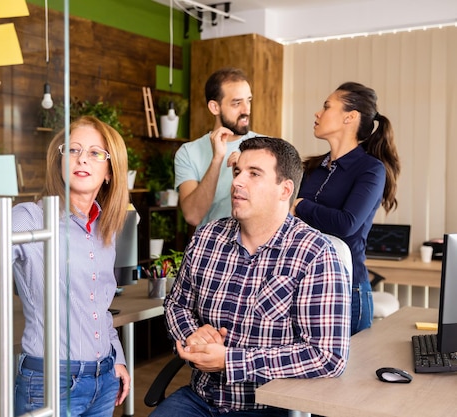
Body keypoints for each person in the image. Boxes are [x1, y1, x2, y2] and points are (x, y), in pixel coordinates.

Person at [153, 136, 351, 417]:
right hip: (200, 398)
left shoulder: (315, 254)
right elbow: (177, 305)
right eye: (237, 172)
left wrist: (232, 361)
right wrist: (192, 335)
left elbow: (327, 357)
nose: (237, 182)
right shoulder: (207, 236)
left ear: (285, 190)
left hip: (266, 407)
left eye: (254, 174)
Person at [0, 116, 131, 417]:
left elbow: (99, 307)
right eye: (72, 150)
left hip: (103, 382)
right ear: (59, 162)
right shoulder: (32, 218)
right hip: (51, 382)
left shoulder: (105, 228)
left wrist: (117, 358)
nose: (82, 159)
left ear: (110, 173)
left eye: (95, 153)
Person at [291, 82, 400, 335]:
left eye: (327, 106)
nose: (317, 113)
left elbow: (346, 224)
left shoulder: (371, 169)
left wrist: (301, 205)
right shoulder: (313, 167)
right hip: (306, 287)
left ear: (350, 117)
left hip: (347, 290)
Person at [174, 67, 262, 228]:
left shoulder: (266, 147)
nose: (246, 110)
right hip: (212, 248)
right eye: (237, 103)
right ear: (215, 107)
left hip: (258, 249)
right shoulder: (188, 153)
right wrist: (217, 159)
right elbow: (192, 216)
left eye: (248, 100)